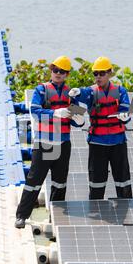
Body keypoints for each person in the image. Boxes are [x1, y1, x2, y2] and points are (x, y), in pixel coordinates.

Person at [15, 56, 84, 229]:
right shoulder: (42, 90)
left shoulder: (71, 94)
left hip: (63, 144)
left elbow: (76, 120)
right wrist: (56, 113)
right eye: (55, 70)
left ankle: (56, 218)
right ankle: (22, 216)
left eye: (61, 71)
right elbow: (35, 111)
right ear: (51, 71)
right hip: (44, 143)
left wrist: (79, 118)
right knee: (34, 181)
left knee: (60, 183)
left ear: (67, 74)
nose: (58, 74)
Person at [68, 56, 133, 200]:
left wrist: (125, 116)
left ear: (109, 73)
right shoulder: (91, 92)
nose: (98, 77)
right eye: (95, 73)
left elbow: (126, 110)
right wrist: (76, 93)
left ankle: (128, 213)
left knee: (123, 182)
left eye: (102, 73)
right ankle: (97, 214)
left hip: (118, 142)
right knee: (96, 183)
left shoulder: (120, 91)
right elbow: (82, 94)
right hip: (97, 143)